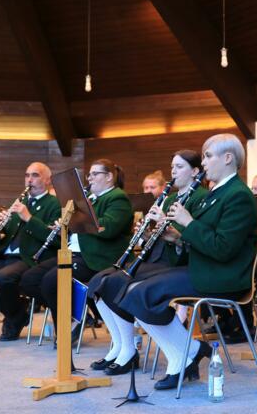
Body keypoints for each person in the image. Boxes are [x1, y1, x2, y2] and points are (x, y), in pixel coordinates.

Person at [99, 133, 257, 390]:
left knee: (141, 293)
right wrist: (177, 238)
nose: (203, 163)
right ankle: (188, 351)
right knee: (132, 289)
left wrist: (188, 222)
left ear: (228, 158)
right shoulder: (218, 192)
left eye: (208, 156)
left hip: (222, 276)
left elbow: (223, 248)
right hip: (205, 267)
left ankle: (184, 355)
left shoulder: (238, 195)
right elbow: (203, 240)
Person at [87, 150, 207, 374]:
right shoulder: (170, 198)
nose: (173, 171)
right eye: (172, 166)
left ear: (195, 171)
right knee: (98, 282)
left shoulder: (201, 197)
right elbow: (164, 235)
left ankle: (130, 350)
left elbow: (190, 239)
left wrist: (170, 232)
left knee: (117, 284)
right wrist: (146, 234)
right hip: (157, 256)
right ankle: (120, 345)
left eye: (179, 167)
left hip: (176, 262)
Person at [20, 159, 133, 345]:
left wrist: (79, 216)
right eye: (89, 174)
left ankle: (67, 327)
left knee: (51, 281)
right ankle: (77, 314)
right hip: (74, 253)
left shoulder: (117, 198)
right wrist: (64, 226)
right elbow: (80, 229)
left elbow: (109, 228)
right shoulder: (91, 198)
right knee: (29, 279)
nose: (90, 178)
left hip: (96, 257)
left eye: (95, 174)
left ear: (109, 177)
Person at [0, 162, 61, 341]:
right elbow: (7, 234)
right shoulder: (20, 202)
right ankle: (16, 313)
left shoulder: (55, 204)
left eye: (35, 175)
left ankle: (14, 318)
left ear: (48, 180)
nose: (29, 180)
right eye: (27, 175)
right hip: (5, 255)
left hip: (29, 258)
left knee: (2, 278)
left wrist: (28, 218)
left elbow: (56, 239)